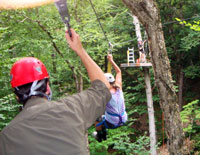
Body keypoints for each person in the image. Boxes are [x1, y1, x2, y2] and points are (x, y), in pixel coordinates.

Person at [0, 29, 111, 155]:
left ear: (17, 96)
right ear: (47, 87)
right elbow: (103, 88)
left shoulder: (6, 137)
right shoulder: (73, 108)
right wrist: (80, 50)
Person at [93, 54, 127, 142]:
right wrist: (111, 60)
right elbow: (119, 72)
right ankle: (102, 132)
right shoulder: (119, 87)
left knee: (96, 118)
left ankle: (100, 135)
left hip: (112, 122)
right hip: (123, 119)